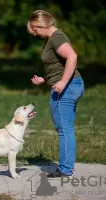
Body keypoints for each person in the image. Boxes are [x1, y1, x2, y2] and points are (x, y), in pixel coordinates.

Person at [27, 10, 84, 179]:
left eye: (35, 30)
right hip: (70, 84)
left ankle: (65, 169)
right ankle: (67, 167)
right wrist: (46, 79)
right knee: (66, 128)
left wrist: (63, 82)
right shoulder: (53, 38)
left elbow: (72, 57)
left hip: (67, 86)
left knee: (64, 129)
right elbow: (58, 65)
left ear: (40, 25)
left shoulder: (56, 37)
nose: (35, 34)